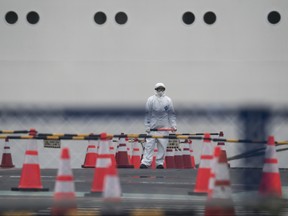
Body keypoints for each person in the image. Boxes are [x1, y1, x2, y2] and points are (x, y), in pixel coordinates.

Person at [140, 82, 177, 169]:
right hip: (152, 128)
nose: (160, 91)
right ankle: (145, 163)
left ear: (164, 90)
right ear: (155, 90)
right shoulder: (151, 100)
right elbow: (147, 113)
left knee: (162, 146)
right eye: (158, 89)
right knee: (149, 146)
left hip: (164, 128)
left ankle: (159, 163)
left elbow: (171, 114)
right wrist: (147, 126)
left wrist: (173, 125)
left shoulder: (168, 100)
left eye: (162, 89)